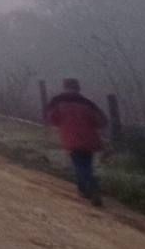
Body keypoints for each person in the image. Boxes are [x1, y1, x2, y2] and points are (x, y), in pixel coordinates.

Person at [44, 78, 108, 206]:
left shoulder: (57, 101)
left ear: (64, 87)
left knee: (79, 164)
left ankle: (90, 186)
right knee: (86, 164)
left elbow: (51, 117)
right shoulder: (87, 103)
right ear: (78, 88)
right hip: (90, 137)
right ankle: (84, 189)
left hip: (71, 136)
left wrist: (64, 122)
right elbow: (102, 121)